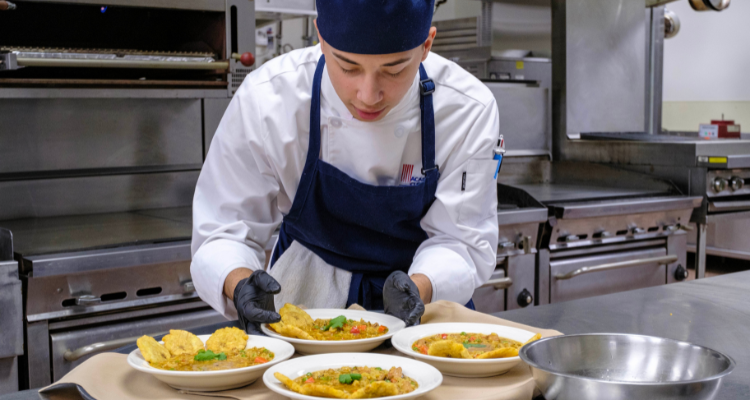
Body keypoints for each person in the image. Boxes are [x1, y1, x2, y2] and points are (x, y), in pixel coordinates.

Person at [191, 0, 500, 335]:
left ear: (427, 44)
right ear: (320, 38)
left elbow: (463, 242)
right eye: (348, 67)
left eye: (394, 70)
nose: (368, 95)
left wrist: (420, 287)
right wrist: (238, 283)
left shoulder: (467, 110)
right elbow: (223, 228)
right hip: (303, 307)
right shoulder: (269, 100)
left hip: (423, 314)